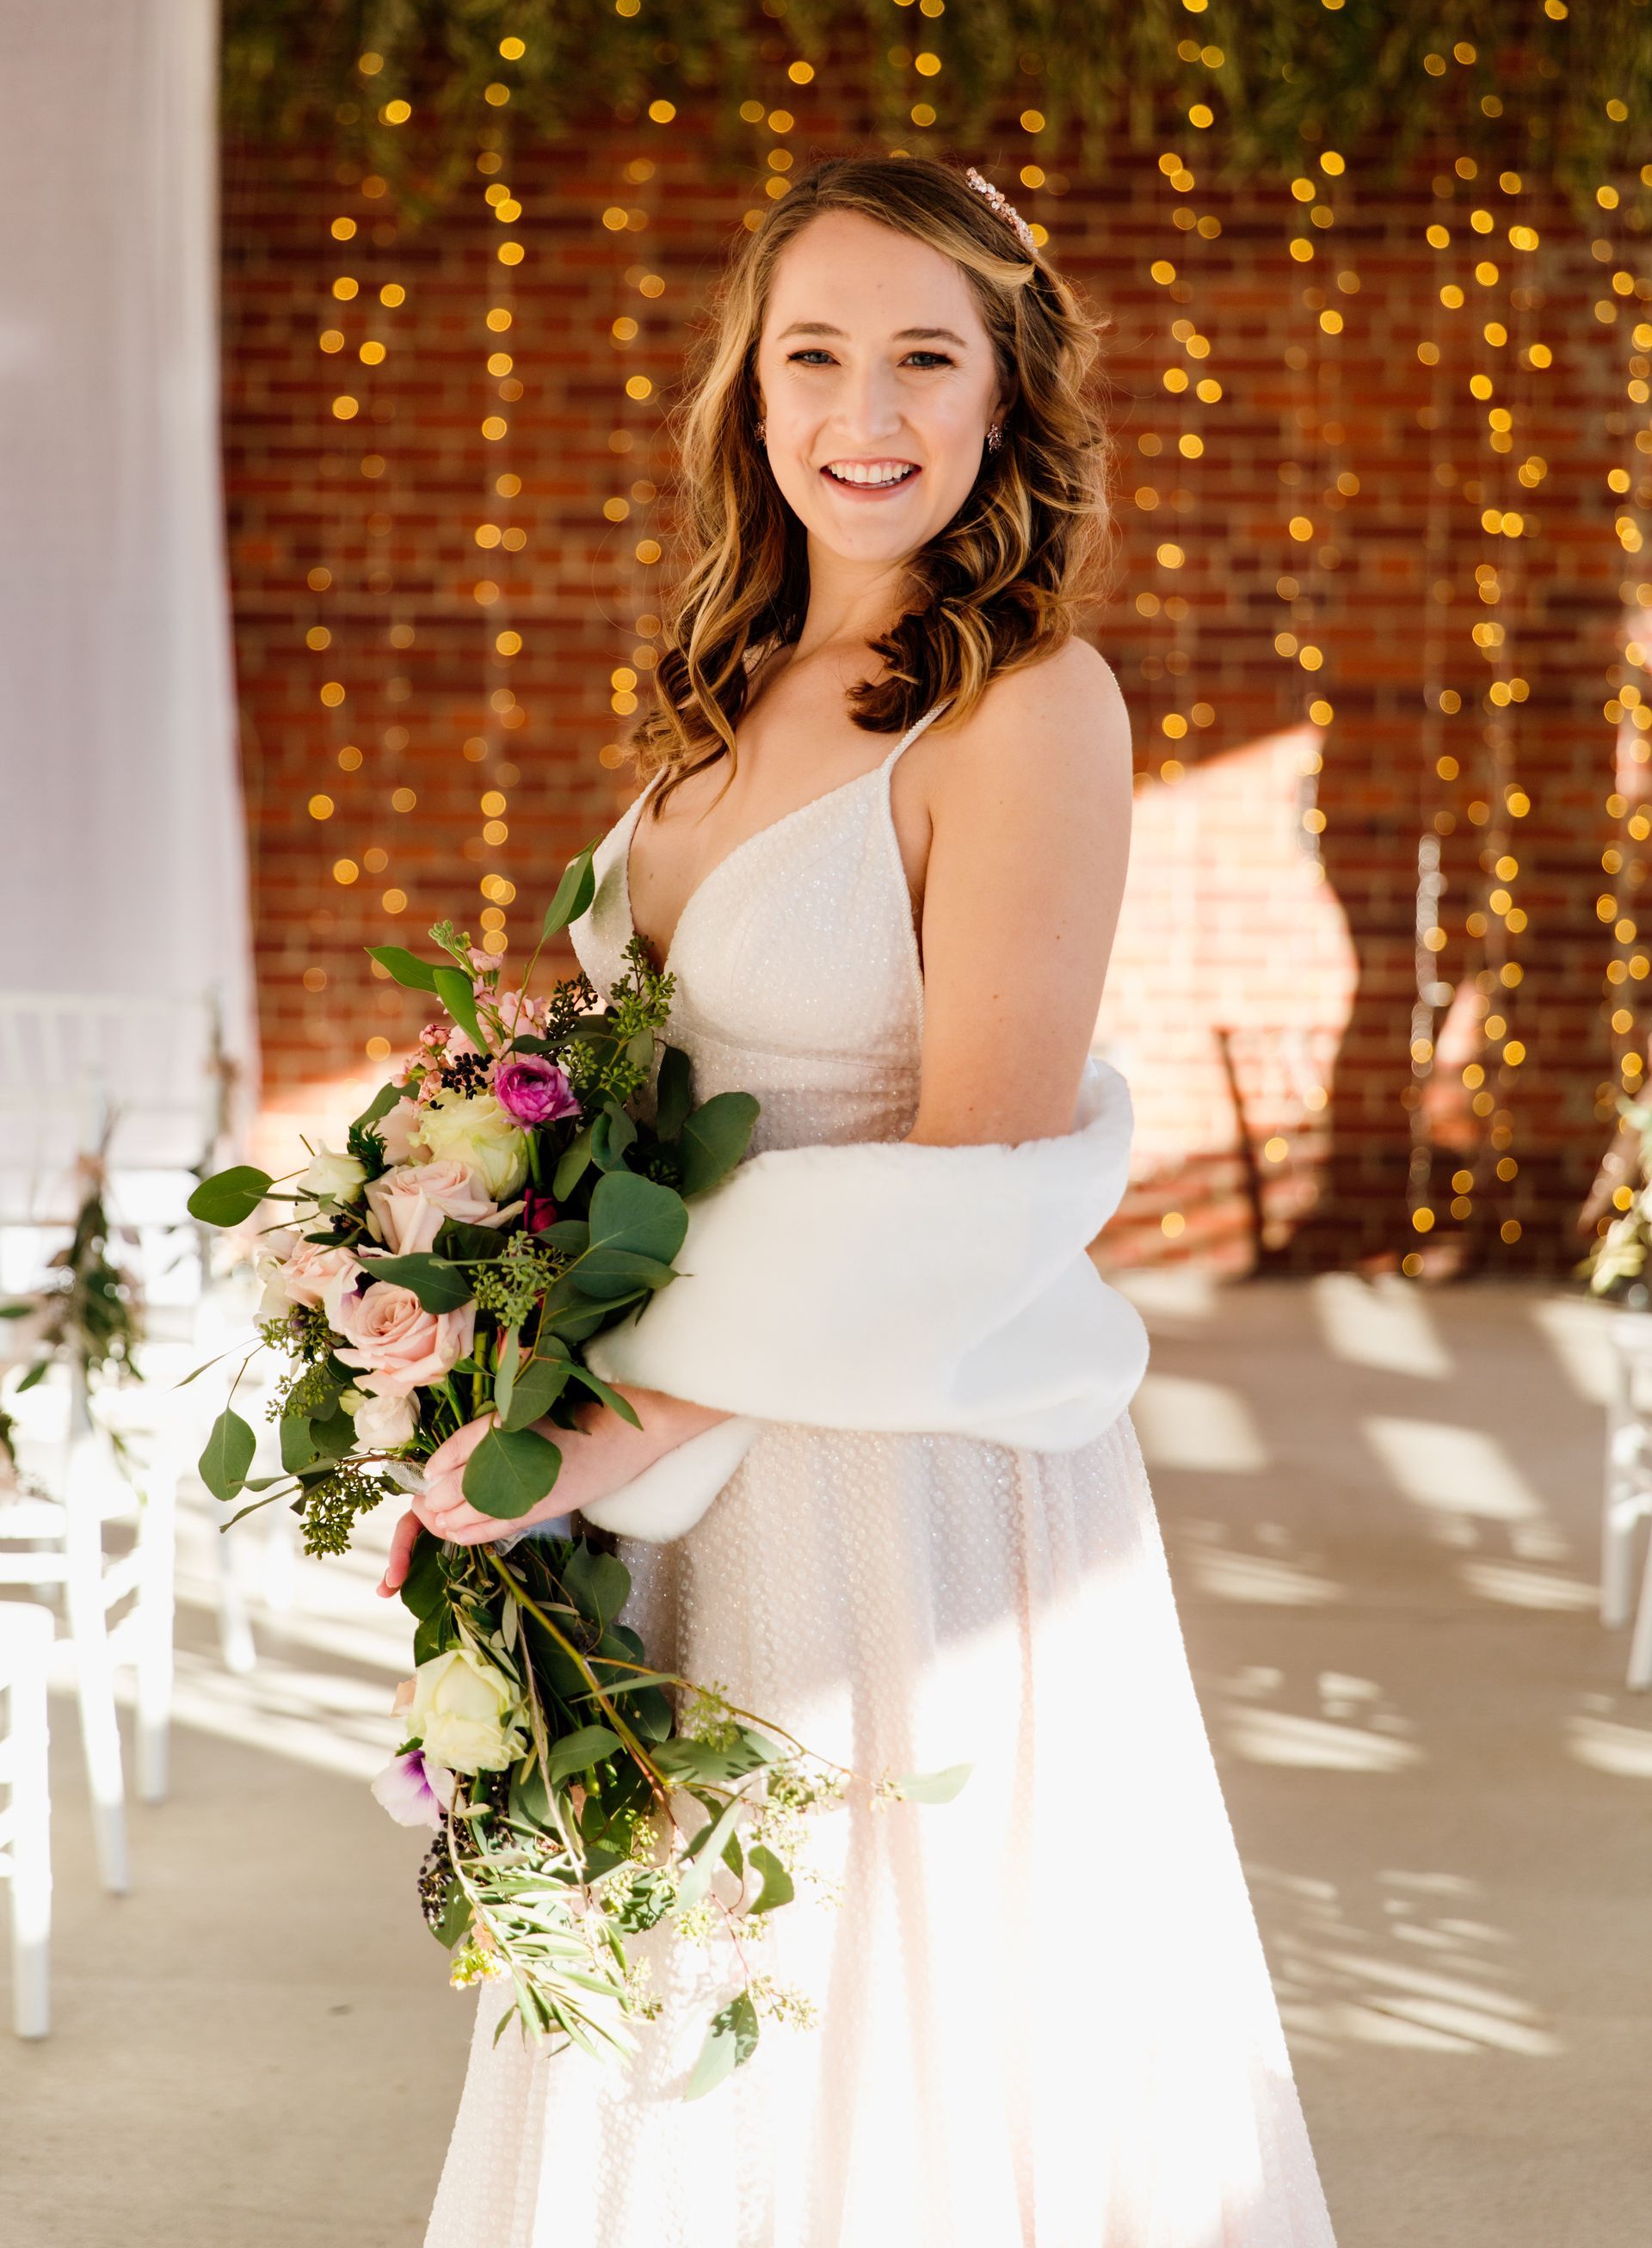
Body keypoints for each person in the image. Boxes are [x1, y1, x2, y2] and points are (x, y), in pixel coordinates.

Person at [384, 154, 1339, 2246]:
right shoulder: (717, 714)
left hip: (894, 1495)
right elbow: (619, 1109)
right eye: (815, 353)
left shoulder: (1029, 708)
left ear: (1006, 400)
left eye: (928, 356)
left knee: (878, 2036)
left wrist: (610, 1422)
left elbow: (978, 1180)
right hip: (693, 1500)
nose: (867, 410)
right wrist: (462, 1283)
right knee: (679, 2028)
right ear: (750, 393)